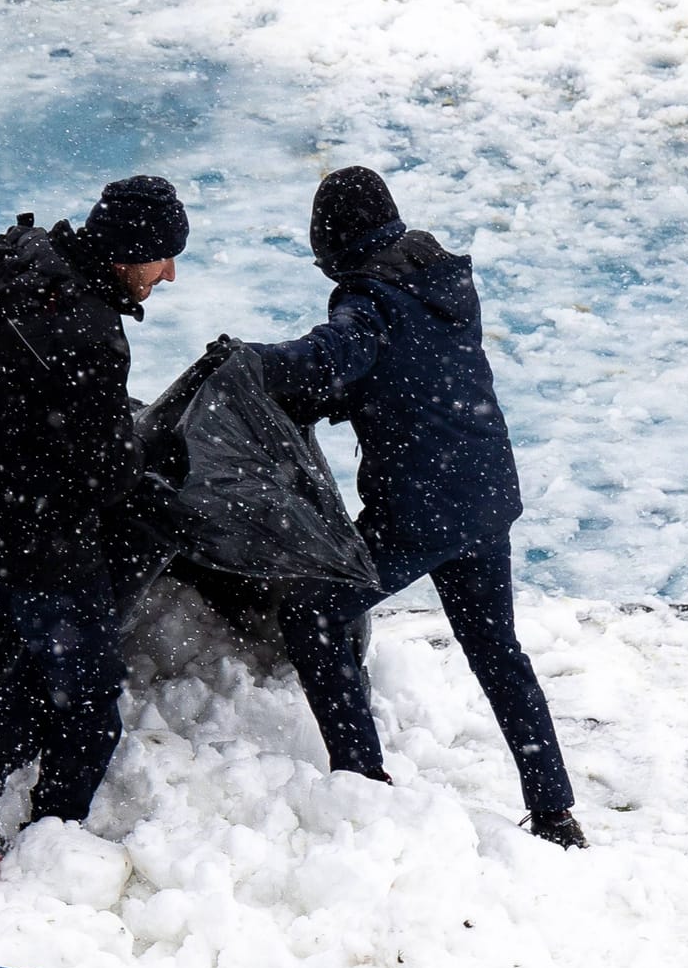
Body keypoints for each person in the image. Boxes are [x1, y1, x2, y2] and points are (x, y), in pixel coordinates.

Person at [239, 165, 586, 848]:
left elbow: (324, 359)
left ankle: (361, 780)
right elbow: (407, 374)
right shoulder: (445, 282)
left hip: (419, 511)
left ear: (335, 245)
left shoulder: (369, 305)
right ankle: (555, 812)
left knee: (312, 611)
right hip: (486, 496)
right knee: (497, 651)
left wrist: (246, 360)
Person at [0, 175, 188, 862]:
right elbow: (104, 473)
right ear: (128, 253)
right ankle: (50, 847)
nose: (168, 275)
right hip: (38, 533)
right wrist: (147, 457)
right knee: (90, 704)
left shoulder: (12, 266)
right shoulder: (91, 332)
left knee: (53, 660)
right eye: (162, 258)